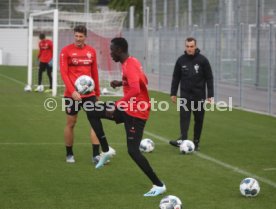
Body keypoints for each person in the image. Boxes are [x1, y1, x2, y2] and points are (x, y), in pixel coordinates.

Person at [106, 37, 166, 197]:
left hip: (136, 112)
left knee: (133, 151)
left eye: (111, 50)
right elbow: (142, 80)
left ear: (119, 50)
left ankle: (159, 185)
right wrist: (122, 83)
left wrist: (117, 105)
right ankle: (104, 150)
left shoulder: (130, 65)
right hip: (129, 108)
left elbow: (136, 91)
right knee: (95, 110)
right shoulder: (131, 62)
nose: (110, 53)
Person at [59, 25, 113, 164]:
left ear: (85, 37)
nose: (78, 39)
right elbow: (64, 73)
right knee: (71, 123)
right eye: (76, 36)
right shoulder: (66, 51)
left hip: (89, 94)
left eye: (80, 36)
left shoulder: (91, 51)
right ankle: (69, 154)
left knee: (95, 122)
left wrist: (98, 92)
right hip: (72, 95)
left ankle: (95, 155)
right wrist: (72, 91)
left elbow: (94, 72)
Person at [169, 37, 214, 151]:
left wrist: (210, 94)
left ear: (195, 46)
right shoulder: (181, 60)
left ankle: (196, 142)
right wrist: (173, 93)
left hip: (199, 96)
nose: (189, 49)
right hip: (185, 96)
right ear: (185, 47)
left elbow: (209, 78)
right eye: (187, 46)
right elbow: (176, 77)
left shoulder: (203, 60)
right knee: (184, 118)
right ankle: (183, 140)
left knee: (199, 120)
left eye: (191, 46)